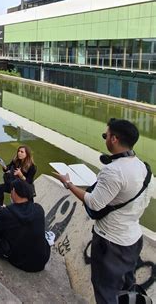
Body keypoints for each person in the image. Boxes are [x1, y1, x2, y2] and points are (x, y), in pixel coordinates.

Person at [54, 119, 153, 304]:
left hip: (111, 243)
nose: (104, 139)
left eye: (105, 135)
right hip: (133, 239)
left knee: (105, 290)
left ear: (114, 139)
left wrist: (68, 184)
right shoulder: (144, 169)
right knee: (126, 288)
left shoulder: (113, 171)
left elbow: (94, 203)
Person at [0, 180, 50, 272]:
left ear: (13, 191)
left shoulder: (8, 212)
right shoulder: (38, 209)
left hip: (22, 262)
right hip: (42, 260)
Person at [0, 145, 36, 212]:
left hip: (24, 188)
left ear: (27, 154)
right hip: (14, 184)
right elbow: (7, 168)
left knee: (27, 206)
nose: (19, 153)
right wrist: (3, 166)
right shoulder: (16, 160)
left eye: (22, 152)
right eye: (18, 151)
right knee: (0, 187)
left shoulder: (32, 167)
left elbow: (29, 182)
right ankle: (0, 207)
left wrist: (20, 175)